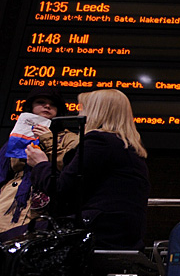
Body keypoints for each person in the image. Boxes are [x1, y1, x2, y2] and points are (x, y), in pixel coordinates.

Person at [26, 90, 150, 250]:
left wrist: (40, 164)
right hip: (122, 232)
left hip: (98, 231)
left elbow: (62, 188)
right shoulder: (128, 147)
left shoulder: (99, 141)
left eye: (83, 108)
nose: (79, 113)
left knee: (8, 240)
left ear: (96, 112)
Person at [0, 87, 77, 235]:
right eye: (41, 102)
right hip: (9, 202)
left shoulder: (70, 138)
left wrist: (48, 140)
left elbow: (68, 169)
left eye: (52, 104)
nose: (47, 106)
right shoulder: (16, 137)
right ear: (31, 107)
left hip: (46, 203)